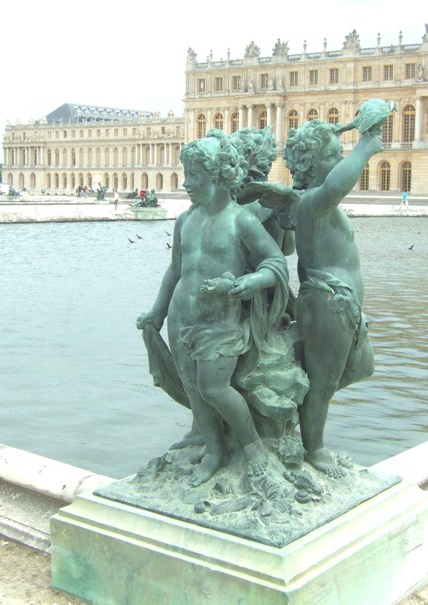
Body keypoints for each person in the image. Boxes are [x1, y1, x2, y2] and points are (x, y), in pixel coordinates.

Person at [136, 130, 287, 487]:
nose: (186, 184)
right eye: (186, 175)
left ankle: (252, 446)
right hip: (182, 317)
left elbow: (276, 261)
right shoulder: (185, 220)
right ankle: (214, 452)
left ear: (217, 176)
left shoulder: (241, 220)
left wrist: (250, 282)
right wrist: (157, 311)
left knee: (214, 388)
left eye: (194, 176)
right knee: (194, 390)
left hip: (221, 320)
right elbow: (176, 270)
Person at [245, 114, 386, 477]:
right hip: (326, 302)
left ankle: (301, 422)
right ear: (312, 163)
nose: (339, 161)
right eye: (333, 156)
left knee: (350, 370)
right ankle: (315, 449)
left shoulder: (311, 203)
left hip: (338, 302)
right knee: (324, 382)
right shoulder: (313, 203)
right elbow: (338, 185)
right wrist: (365, 147)